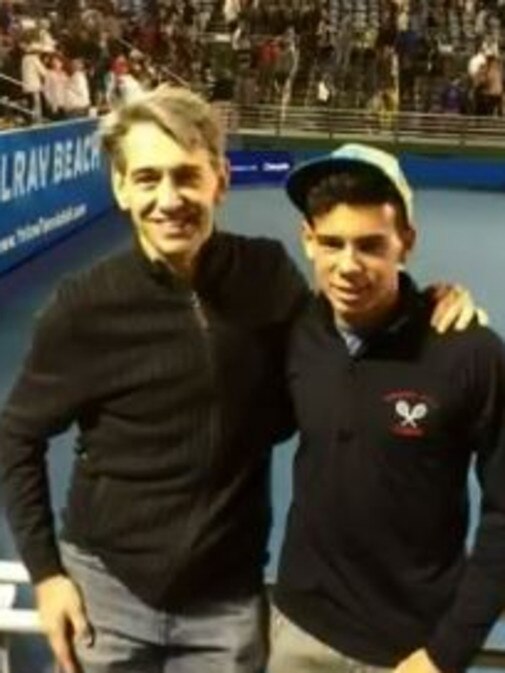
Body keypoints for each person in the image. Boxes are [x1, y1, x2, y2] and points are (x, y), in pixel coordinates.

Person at [0, 89, 483, 673]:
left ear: (220, 181)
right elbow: (16, 436)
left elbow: (347, 321)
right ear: (121, 188)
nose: (169, 198)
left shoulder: (267, 275)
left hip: (226, 603)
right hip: (107, 592)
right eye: (148, 178)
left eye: (187, 176)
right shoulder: (83, 308)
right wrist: (48, 575)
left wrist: (430, 303)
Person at [269, 144, 505, 673]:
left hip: (412, 652)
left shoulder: (469, 351)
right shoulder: (295, 330)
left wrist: (448, 653)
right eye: (331, 243)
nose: (348, 265)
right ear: (308, 241)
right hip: (296, 633)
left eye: (371, 245)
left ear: (407, 243)